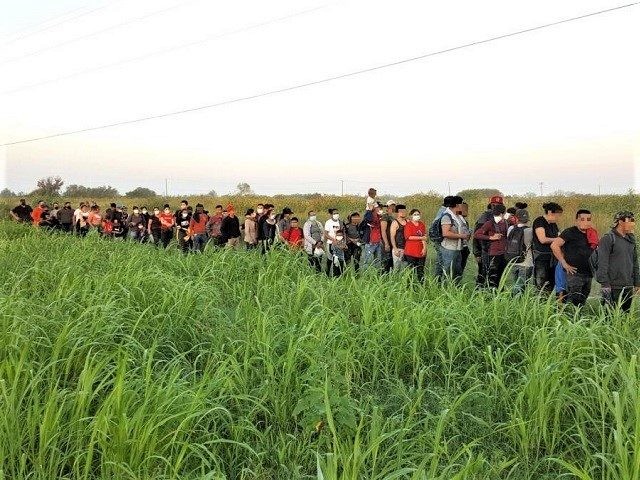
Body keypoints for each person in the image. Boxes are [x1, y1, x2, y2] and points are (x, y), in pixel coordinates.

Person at [550, 210, 596, 307]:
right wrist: (564, 263)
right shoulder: (570, 232)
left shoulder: (592, 234)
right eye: (582, 219)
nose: (586, 222)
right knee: (573, 300)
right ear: (577, 220)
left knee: (582, 300)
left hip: (588, 273)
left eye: (588, 219)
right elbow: (554, 245)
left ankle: (577, 320)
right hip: (574, 273)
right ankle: (566, 319)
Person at [595, 211, 639, 312]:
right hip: (613, 286)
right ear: (620, 222)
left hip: (628, 285)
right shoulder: (608, 238)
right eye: (630, 221)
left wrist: (637, 282)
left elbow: (635, 262)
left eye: (633, 220)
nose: (633, 223)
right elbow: (602, 263)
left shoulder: (631, 239)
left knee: (625, 315)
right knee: (610, 317)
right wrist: (605, 284)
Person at [474, 204, 509, 289]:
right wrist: (491, 237)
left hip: (503, 253)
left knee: (501, 275)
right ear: (502, 213)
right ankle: (491, 294)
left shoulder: (505, 222)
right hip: (494, 253)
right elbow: (477, 234)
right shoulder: (489, 223)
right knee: (492, 276)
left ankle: (498, 293)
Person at [532, 202, 563, 292]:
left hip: (553, 258)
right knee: (541, 284)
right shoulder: (539, 221)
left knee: (551, 283)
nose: (558, 218)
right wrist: (557, 240)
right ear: (550, 212)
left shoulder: (553, 224)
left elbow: (559, 236)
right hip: (541, 258)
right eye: (557, 215)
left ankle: (548, 303)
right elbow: (542, 239)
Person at [440, 197, 469, 283]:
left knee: (457, 272)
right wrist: (462, 236)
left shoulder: (459, 216)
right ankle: (445, 291)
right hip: (449, 249)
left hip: (458, 248)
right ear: (457, 205)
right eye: (461, 203)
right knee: (448, 272)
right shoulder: (447, 216)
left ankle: (456, 291)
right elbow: (445, 233)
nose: (462, 206)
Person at [507, 208, 534, 296]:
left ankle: (512, 303)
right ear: (527, 219)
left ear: (516, 218)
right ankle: (516, 303)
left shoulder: (511, 228)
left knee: (516, 284)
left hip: (512, 260)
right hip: (526, 262)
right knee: (521, 287)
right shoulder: (530, 231)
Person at [403, 209, 427, 282]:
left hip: (420, 251)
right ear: (411, 216)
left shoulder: (422, 224)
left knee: (420, 270)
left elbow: (424, 237)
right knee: (411, 271)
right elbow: (408, 237)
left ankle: (421, 286)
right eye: (415, 214)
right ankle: (409, 286)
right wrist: (420, 237)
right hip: (411, 251)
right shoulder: (408, 225)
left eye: (418, 214)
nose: (417, 216)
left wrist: (424, 248)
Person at [360, 203, 384, 271]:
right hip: (370, 242)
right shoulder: (369, 215)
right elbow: (368, 219)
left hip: (378, 242)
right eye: (379, 208)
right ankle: (365, 276)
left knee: (378, 260)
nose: (380, 209)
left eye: (381, 208)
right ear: (375, 208)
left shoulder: (379, 216)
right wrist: (369, 210)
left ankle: (377, 275)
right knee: (367, 261)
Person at [380, 200, 396, 273]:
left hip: (392, 242)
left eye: (394, 206)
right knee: (385, 261)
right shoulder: (385, 216)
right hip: (386, 242)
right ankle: (382, 278)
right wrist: (386, 243)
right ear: (387, 207)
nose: (393, 207)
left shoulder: (392, 217)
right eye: (391, 206)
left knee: (391, 261)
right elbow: (383, 231)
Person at [324, 209, 342, 274]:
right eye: (334, 213)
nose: (336, 215)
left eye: (337, 213)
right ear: (331, 215)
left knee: (336, 258)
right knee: (330, 259)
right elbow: (326, 234)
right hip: (330, 243)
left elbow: (342, 232)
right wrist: (333, 239)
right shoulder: (328, 222)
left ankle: (336, 274)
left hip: (338, 243)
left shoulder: (340, 222)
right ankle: (327, 272)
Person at [389, 205, 407, 270]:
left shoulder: (408, 221)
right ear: (397, 212)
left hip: (407, 248)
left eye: (404, 211)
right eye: (401, 211)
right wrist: (395, 249)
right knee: (397, 269)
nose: (403, 212)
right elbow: (392, 237)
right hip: (398, 248)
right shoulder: (395, 223)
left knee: (405, 268)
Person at [459, 203, 472, 274]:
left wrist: (468, 234)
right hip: (457, 248)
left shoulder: (465, 222)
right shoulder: (454, 220)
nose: (466, 211)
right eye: (465, 209)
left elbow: (467, 238)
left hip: (464, 247)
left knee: (461, 268)